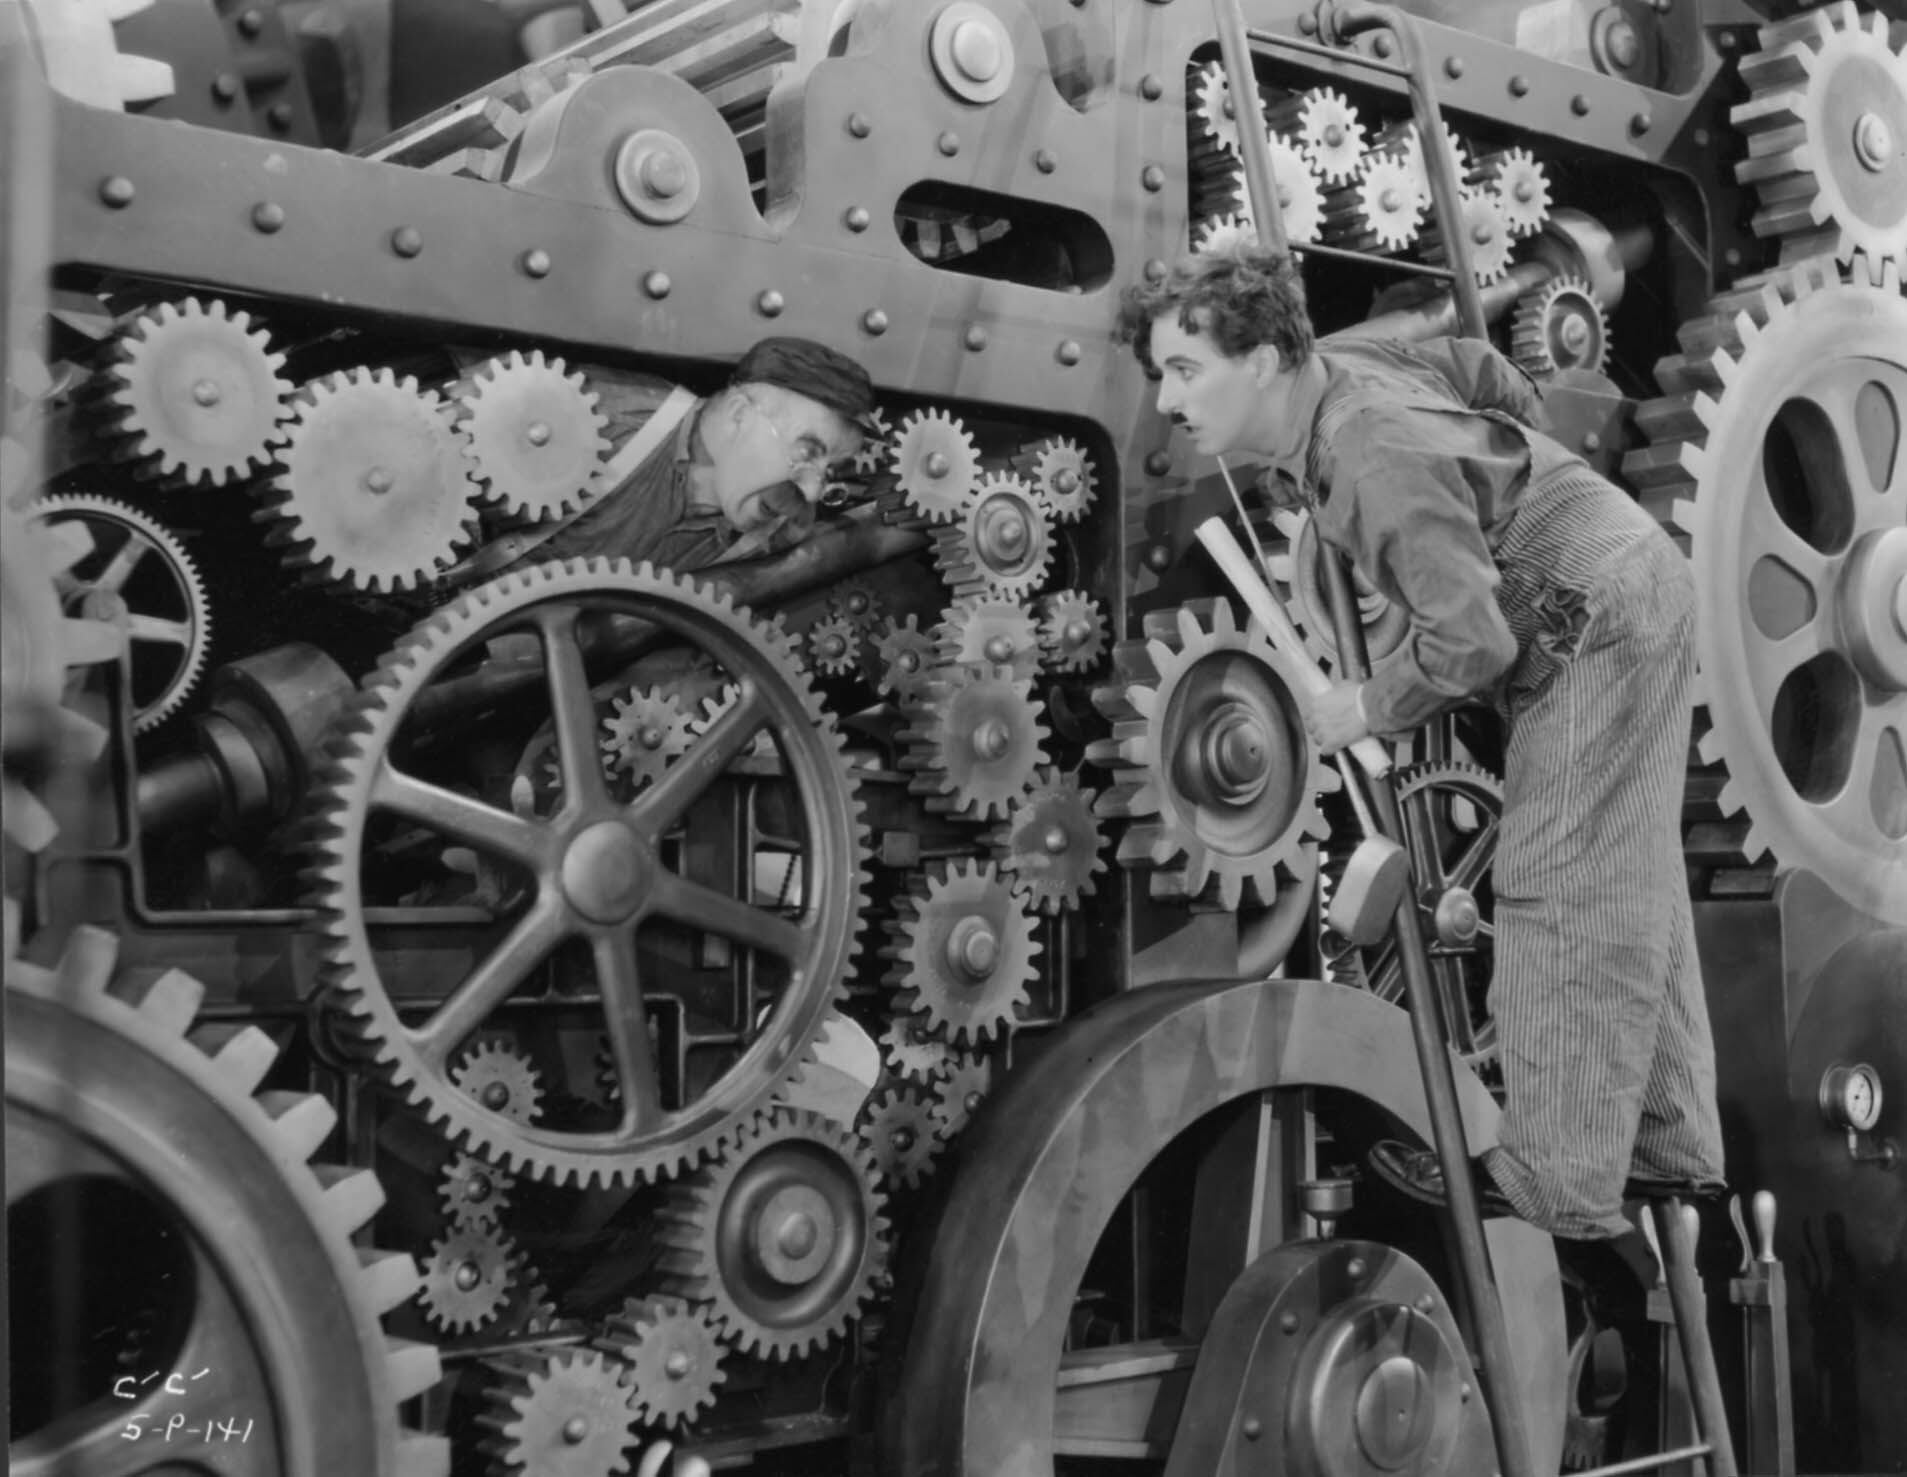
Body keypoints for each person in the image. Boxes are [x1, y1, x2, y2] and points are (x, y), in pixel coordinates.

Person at [1113, 242, 1724, 1261]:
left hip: (1591, 611)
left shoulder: (1364, 456)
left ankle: (1553, 1177)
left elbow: (1472, 641)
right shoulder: (1348, 369)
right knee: (1627, 871)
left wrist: (1366, 705)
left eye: (1184, 371)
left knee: (1555, 876)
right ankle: (1664, 1141)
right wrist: (1480, 499)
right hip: (1615, 575)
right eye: (1158, 374)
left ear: (1260, 358)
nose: (1168, 401)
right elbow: (1488, 377)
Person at [444, 335, 875, 587]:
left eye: (830, 472)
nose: (812, 490)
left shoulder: (782, 529)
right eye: (805, 454)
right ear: (740, 415)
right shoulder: (604, 413)